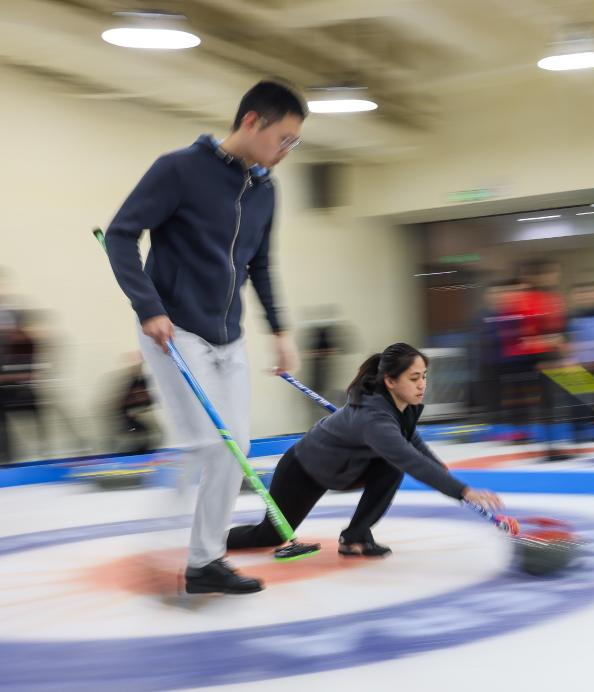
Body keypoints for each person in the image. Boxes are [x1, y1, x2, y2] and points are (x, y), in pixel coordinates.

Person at [104, 81, 306, 594]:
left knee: (235, 446)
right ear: (252, 121)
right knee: (212, 446)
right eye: (283, 138)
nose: (286, 152)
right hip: (174, 328)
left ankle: (204, 563)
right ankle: (170, 537)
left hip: (228, 335)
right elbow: (123, 234)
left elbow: (260, 265)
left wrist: (281, 331)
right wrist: (148, 308)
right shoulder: (179, 169)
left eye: (294, 143)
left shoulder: (265, 191)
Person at [227, 343, 504, 556]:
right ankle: (212, 540)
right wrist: (462, 491)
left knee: (391, 464)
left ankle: (356, 536)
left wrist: (438, 465)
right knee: (269, 537)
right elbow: (409, 458)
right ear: (390, 381)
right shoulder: (374, 419)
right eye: (414, 378)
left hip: (344, 469)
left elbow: (412, 440)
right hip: (304, 469)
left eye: (424, 376)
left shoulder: (403, 405)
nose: (422, 385)